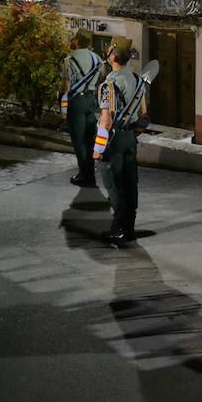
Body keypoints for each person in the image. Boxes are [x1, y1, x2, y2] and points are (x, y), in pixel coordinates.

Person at [92, 44, 147, 245]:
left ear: (113, 58)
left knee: (114, 185)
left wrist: (98, 149)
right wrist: (131, 136)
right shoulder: (138, 81)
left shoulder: (108, 85)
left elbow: (105, 121)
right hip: (130, 138)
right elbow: (143, 115)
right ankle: (129, 228)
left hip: (113, 140)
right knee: (130, 183)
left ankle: (120, 229)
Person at [61, 28, 102, 187]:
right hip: (91, 100)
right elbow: (101, 79)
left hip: (76, 103)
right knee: (89, 139)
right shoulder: (97, 59)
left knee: (79, 141)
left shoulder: (68, 60)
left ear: (77, 41)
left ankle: (86, 177)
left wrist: (64, 110)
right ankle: (88, 173)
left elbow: (65, 86)